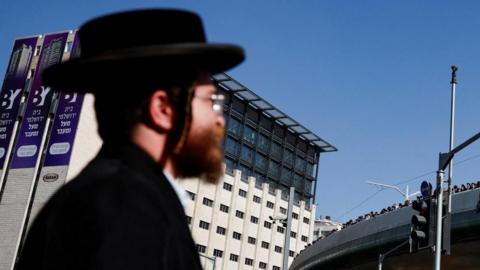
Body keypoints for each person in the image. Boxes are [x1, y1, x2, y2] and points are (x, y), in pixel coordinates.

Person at [16, 9, 244, 270]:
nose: (220, 120)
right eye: (212, 101)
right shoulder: (123, 205)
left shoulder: (129, 195)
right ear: (163, 109)